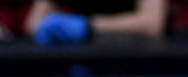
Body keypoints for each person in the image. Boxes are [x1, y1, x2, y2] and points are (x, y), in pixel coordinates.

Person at [26, 0, 166, 44]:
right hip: (81, 63)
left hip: (137, 62)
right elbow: (33, 23)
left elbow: (152, 23)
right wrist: (50, 27)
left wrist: (89, 26)